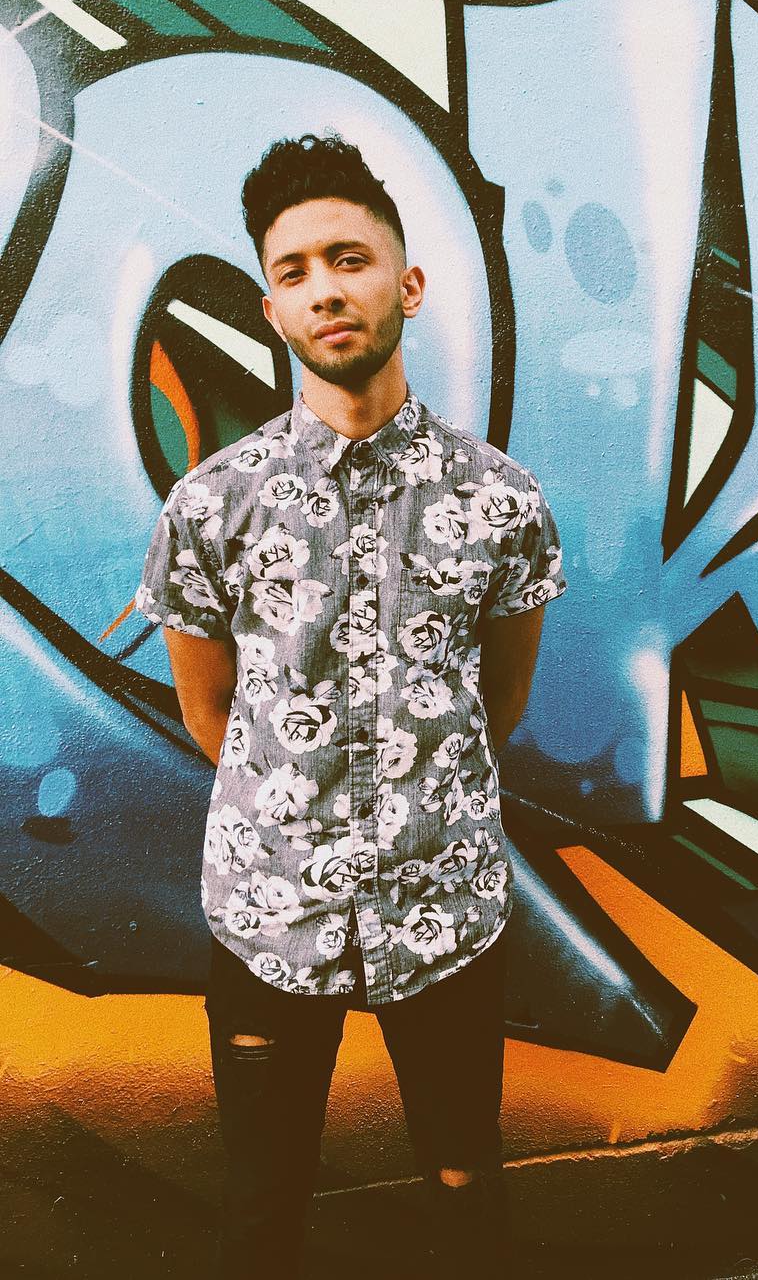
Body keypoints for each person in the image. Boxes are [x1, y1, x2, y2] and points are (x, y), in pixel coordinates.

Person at [134, 132, 566, 1278]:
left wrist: (417, 809)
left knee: (468, 1188)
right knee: (263, 1204)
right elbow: (208, 710)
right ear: (275, 312)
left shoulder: (501, 499)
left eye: (349, 256)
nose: (325, 286)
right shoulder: (213, 504)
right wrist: (306, 824)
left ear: (407, 284)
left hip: (449, 908)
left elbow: (499, 699)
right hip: (271, 911)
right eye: (293, 271)